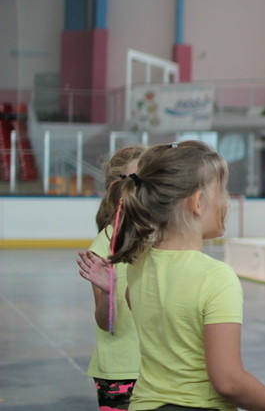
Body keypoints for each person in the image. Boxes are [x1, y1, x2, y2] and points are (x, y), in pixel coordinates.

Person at [77, 141, 265, 411]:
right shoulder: (216, 277)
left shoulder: (138, 266)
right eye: (223, 191)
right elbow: (229, 381)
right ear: (198, 202)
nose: (228, 201)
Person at [78, 144, 146, 411]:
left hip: (160, 370)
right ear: (117, 187)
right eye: (141, 180)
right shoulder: (104, 245)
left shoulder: (158, 238)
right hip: (122, 373)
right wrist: (108, 292)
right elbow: (108, 323)